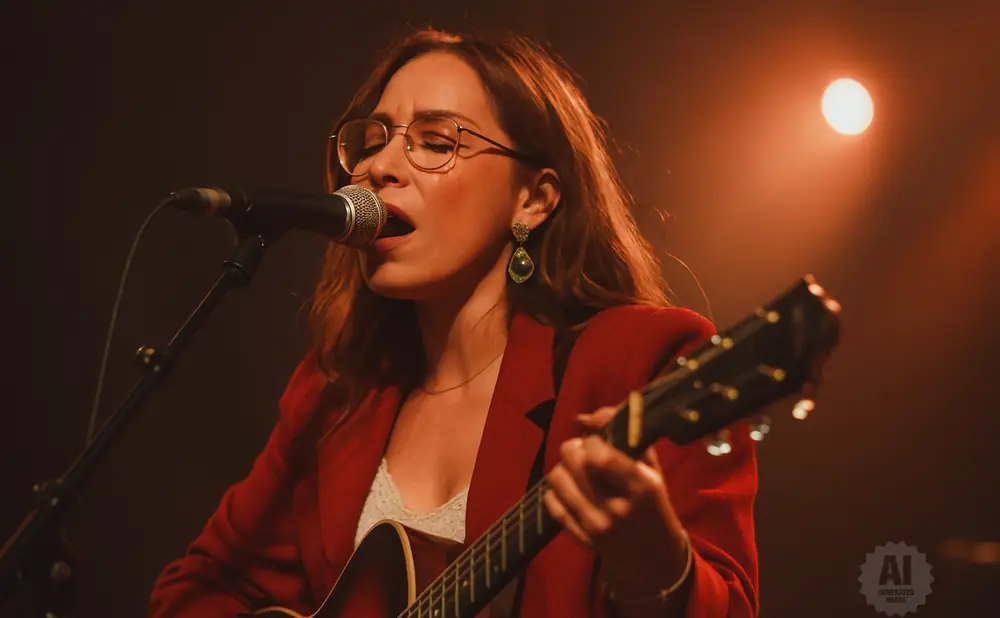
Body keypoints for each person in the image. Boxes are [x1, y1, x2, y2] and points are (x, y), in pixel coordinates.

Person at [149, 27, 759, 618]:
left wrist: (656, 562)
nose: (379, 168)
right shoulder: (335, 395)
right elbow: (196, 587)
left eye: (437, 142)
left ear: (535, 199)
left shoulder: (643, 359)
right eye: (374, 140)